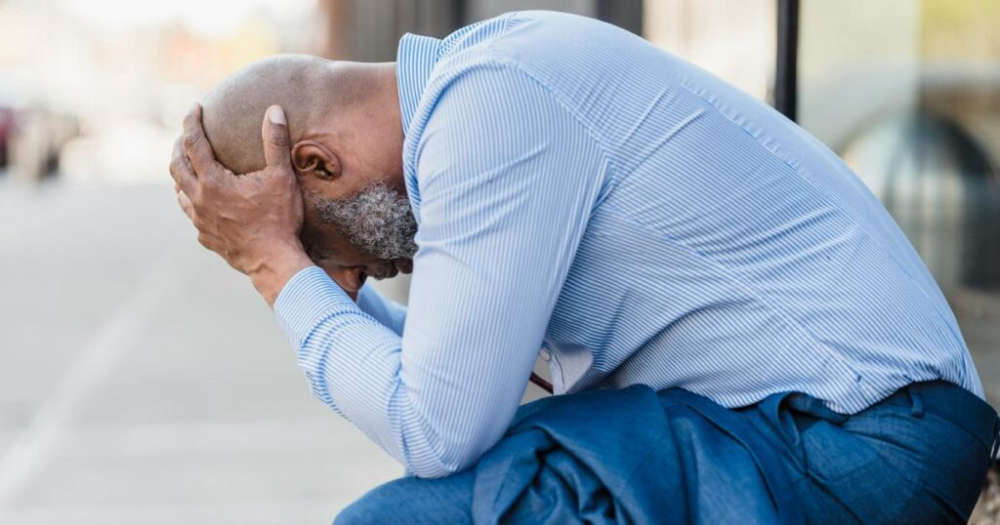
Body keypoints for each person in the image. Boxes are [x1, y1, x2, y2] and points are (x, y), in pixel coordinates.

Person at [169, 10, 997, 523]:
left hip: (866, 439)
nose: (367, 272)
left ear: (316, 163)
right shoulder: (491, 84)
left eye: (323, 244)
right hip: (819, 431)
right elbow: (454, 381)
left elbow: (435, 427)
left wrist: (279, 269)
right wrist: (301, 278)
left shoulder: (489, 109)